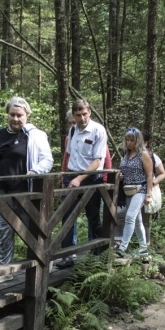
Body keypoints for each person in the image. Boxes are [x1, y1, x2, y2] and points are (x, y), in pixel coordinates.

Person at [0, 97, 53, 282]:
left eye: (19, 115)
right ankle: (6, 271)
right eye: (12, 114)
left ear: (27, 115)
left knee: (33, 229)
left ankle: (44, 262)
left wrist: (35, 171)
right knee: (4, 231)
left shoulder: (35, 135)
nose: (15, 118)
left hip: (25, 192)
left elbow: (47, 160)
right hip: (1, 192)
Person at [57, 99, 108, 268]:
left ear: (89, 112)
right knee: (67, 215)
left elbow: (97, 160)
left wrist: (79, 178)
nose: (82, 118)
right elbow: (69, 155)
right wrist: (67, 176)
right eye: (78, 115)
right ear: (74, 115)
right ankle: (68, 255)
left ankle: (98, 253)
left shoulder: (98, 130)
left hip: (91, 178)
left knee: (93, 216)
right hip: (71, 176)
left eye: (84, 114)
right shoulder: (72, 131)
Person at [114, 128, 155, 258]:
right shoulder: (126, 154)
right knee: (137, 221)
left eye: (132, 140)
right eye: (127, 139)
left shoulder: (143, 154)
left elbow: (149, 175)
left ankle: (123, 247)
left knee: (130, 217)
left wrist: (148, 195)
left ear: (138, 141)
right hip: (128, 190)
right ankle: (143, 248)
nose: (129, 142)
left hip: (141, 189)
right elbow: (124, 171)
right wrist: (120, 176)